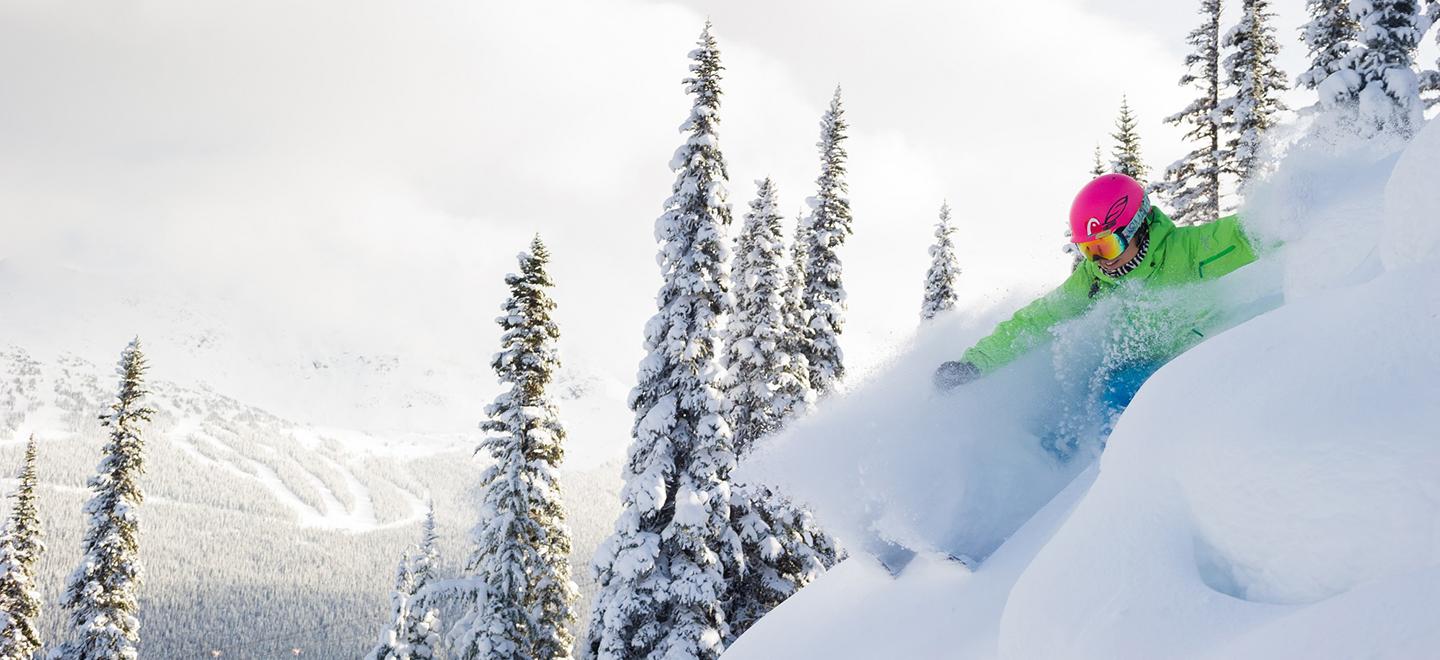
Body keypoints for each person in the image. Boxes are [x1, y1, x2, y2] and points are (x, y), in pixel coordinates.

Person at [934, 173, 1258, 414]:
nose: (1101, 261)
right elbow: (1036, 321)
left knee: (1116, 392)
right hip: (1139, 365)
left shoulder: (1189, 251)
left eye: (1105, 245)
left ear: (1135, 228)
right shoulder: (1094, 280)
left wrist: (1293, 210)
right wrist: (974, 365)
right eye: (1089, 250)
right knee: (1070, 404)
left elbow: (1251, 232)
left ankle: (1120, 487)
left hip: (1197, 362)